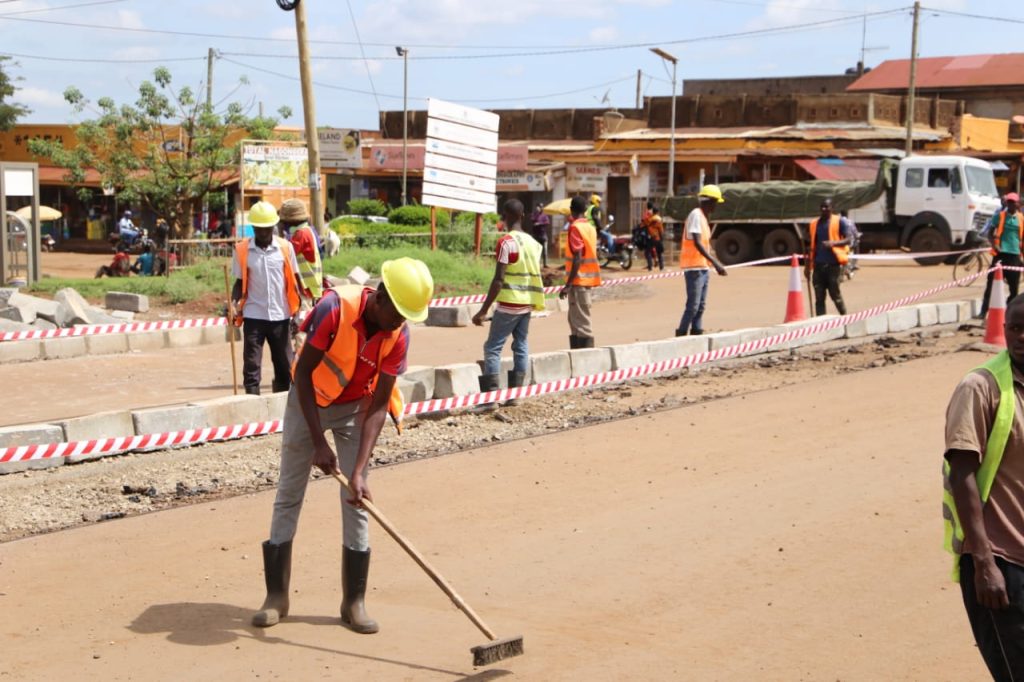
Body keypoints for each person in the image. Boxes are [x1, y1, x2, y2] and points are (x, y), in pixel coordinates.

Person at [252, 257, 434, 635]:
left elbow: (381, 403)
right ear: (380, 298)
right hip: (309, 403)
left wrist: (358, 470)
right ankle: (276, 597)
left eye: (407, 317)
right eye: (398, 314)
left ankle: (354, 602)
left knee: (358, 500)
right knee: (289, 494)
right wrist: (318, 443)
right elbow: (301, 373)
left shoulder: (398, 334)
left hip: (355, 409)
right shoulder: (334, 309)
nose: (400, 323)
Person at [943, 295, 1024, 678]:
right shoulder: (979, 388)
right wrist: (984, 563)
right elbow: (962, 475)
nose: (1021, 336)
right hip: (1002, 566)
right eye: (1015, 328)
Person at [472, 199, 546, 409]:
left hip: (510, 302)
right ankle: (515, 396)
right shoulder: (533, 243)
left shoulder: (506, 243)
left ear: (505, 216)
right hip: (528, 303)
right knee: (520, 345)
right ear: (522, 215)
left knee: (493, 347)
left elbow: (498, 280)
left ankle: (490, 399)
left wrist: (483, 310)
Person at [230, 201, 305, 396]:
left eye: (267, 228)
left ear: (273, 226)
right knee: (251, 364)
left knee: (284, 364)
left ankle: (281, 406)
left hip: (280, 315)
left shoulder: (285, 248)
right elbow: (239, 283)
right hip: (254, 314)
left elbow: (295, 280)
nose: (263, 232)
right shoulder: (242, 250)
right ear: (253, 227)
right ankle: (252, 404)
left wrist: (298, 313)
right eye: (259, 228)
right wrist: (232, 303)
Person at [675, 186, 728, 336]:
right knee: (693, 305)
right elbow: (697, 243)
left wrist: (713, 262)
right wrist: (716, 263)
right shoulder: (696, 215)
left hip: (702, 267)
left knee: (701, 305)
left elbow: (705, 243)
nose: (716, 206)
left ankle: (697, 331)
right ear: (709, 201)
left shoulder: (703, 217)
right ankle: (681, 333)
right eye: (715, 202)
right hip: (694, 267)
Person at [559, 195, 601, 348]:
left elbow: (577, 257)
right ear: (585, 210)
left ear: (571, 210)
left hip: (579, 281)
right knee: (575, 320)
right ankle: (578, 356)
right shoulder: (590, 227)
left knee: (582, 323)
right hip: (586, 279)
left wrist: (568, 284)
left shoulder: (575, 228)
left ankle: (586, 359)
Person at [806, 198, 852, 316]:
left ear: (832, 208)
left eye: (826, 207)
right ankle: (820, 324)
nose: (824, 209)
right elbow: (810, 247)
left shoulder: (839, 221)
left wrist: (833, 243)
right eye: (822, 207)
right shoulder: (814, 224)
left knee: (835, 295)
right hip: (818, 266)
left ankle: (845, 318)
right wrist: (807, 267)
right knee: (819, 298)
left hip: (833, 266)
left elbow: (849, 239)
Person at [980, 192, 1023, 319]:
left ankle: (1009, 313)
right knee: (991, 285)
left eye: (1013, 202)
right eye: (1008, 202)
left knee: (1014, 289)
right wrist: (994, 245)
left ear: (1017, 204)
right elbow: (989, 233)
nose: (1010, 204)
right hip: (1000, 255)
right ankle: (983, 311)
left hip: (1014, 256)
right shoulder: (999, 216)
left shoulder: (1021, 219)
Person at [279, 198, 324, 303]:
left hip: (306, 287)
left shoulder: (301, 234)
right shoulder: (308, 230)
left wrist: (280, 233)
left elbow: (285, 254)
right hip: (310, 286)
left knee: (302, 317)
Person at [645, 205, 665, 271]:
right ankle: (661, 267)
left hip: (651, 238)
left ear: (653, 212)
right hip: (658, 238)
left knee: (648, 252)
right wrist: (662, 240)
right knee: (659, 252)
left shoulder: (650, 219)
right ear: (658, 212)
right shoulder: (659, 220)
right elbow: (661, 231)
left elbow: (644, 224)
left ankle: (650, 267)